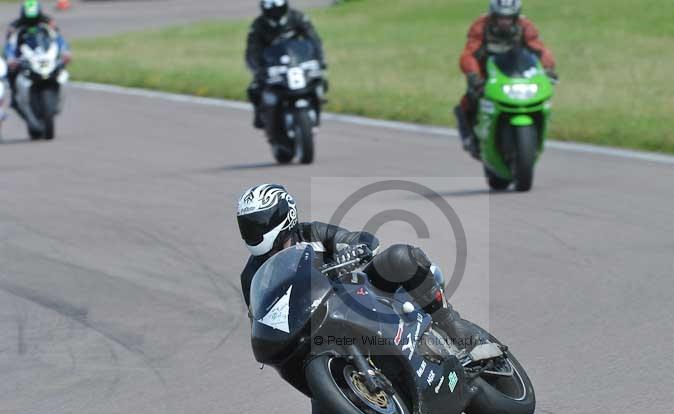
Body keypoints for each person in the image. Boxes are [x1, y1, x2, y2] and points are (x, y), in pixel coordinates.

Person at [237, 184, 477, 351]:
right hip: (317, 330)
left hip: (359, 298)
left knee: (400, 257)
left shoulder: (311, 233)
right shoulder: (251, 275)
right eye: (247, 225)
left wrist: (354, 249)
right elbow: (259, 320)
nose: (253, 231)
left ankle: (449, 323)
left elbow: (355, 239)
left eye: (259, 222)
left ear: (283, 216)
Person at [454, 0, 556, 156]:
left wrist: (548, 69)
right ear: (493, 16)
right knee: (469, 100)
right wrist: (473, 75)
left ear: (516, 17)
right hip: (486, 72)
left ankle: (536, 133)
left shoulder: (525, 26)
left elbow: (539, 50)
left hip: (517, 71)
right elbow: (469, 54)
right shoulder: (481, 26)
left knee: (541, 97)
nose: (504, 21)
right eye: (501, 17)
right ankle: (469, 137)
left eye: (509, 18)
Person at [245, 0, 324, 138]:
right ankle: (260, 116)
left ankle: (316, 113)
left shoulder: (297, 17)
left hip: (297, 62)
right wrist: (258, 69)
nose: (275, 13)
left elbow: (314, 40)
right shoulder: (258, 25)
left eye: (278, 9)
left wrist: (319, 59)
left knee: (319, 81)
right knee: (255, 89)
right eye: (271, 10)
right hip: (273, 65)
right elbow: (252, 50)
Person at [3, 0, 69, 108]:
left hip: (44, 54)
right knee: (10, 70)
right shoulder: (15, 27)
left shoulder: (47, 23)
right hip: (24, 55)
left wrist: (65, 52)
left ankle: (57, 90)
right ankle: (14, 95)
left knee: (61, 64)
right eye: (29, 19)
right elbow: (9, 45)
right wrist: (11, 58)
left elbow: (58, 39)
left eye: (34, 18)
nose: (32, 22)